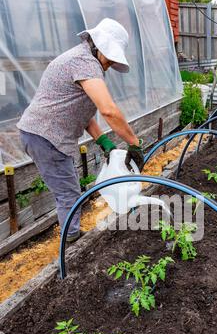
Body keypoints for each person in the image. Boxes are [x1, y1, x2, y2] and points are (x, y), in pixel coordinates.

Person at [17, 18, 144, 243]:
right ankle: (72, 243)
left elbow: (81, 113)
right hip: (45, 135)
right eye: (111, 59)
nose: (110, 65)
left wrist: (105, 143)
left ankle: (71, 235)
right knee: (68, 194)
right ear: (100, 46)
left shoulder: (85, 61)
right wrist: (134, 142)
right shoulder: (84, 61)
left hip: (45, 135)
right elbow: (109, 111)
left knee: (69, 189)